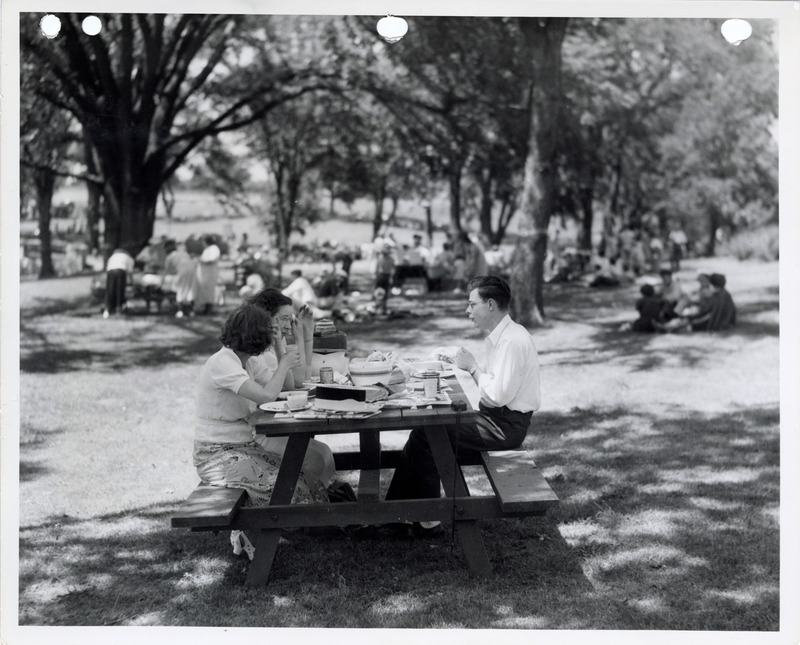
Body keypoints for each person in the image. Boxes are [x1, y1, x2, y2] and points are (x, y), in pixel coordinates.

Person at [384, 275, 541, 536]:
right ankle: (396, 516)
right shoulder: (503, 336)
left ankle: (422, 520)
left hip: (504, 426)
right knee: (423, 435)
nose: (467, 311)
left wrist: (472, 368)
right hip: (496, 419)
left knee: (429, 435)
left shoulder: (512, 341)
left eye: (472, 304)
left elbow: (499, 395)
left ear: (490, 305)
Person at [244, 289, 336, 494]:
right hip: (257, 431)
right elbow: (294, 384)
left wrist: (303, 336)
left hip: (271, 424)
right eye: (283, 318)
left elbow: (298, 379)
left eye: (290, 318)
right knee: (317, 457)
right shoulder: (260, 353)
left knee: (322, 454)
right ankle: (309, 509)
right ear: (265, 317)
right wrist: (301, 338)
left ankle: (319, 505)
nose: (288, 324)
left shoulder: (274, 344)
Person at [163, 240, 198, 318]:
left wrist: (161, 282)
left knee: (180, 290)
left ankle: (180, 311)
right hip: (192, 270)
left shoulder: (170, 256)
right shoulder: (183, 253)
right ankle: (190, 311)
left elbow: (166, 271)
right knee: (190, 290)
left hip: (183, 272)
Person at [103, 247, 135, 318]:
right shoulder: (129, 258)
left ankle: (108, 308)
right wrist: (132, 284)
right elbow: (130, 272)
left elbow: (108, 267)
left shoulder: (113, 256)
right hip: (121, 270)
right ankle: (118, 308)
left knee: (110, 290)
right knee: (120, 289)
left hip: (110, 271)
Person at [195, 235, 221, 315]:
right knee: (204, 291)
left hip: (210, 273)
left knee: (209, 292)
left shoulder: (214, 248)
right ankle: (205, 308)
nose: (203, 243)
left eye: (204, 241)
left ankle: (209, 309)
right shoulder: (208, 249)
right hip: (205, 274)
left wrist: (201, 260)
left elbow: (212, 259)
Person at [374, 247, 395, 315]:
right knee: (378, 292)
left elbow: (393, 269)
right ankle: (378, 307)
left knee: (385, 292)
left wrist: (391, 277)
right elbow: (377, 268)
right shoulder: (381, 258)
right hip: (381, 276)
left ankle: (383, 308)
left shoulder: (390, 259)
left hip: (386, 276)